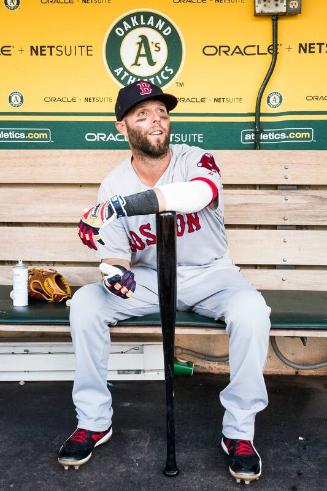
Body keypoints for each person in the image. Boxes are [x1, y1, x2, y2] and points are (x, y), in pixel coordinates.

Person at [58, 81, 271, 484]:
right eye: (143, 114)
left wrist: (118, 208)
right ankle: (93, 421)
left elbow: (197, 195)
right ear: (122, 127)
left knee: (252, 313)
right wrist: (112, 272)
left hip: (211, 275)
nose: (156, 120)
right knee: (87, 304)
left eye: (162, 112)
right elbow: (117, 258)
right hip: (152, 280)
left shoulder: (196, 159)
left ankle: (239, 432)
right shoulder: (114, 184)